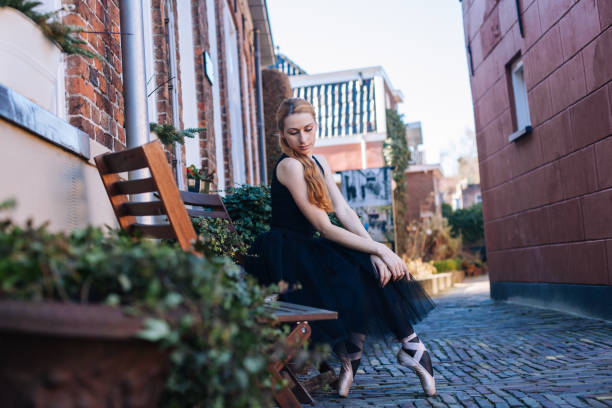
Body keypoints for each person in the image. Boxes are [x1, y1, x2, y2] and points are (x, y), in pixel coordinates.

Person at [245, 97, 436, 398]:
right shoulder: (290, 167)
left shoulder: (318, 161)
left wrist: (375, 249)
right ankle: (403, 347)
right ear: (282, 134)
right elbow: (324, 226)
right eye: (293, 132)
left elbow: (344, 211)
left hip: (310, 249)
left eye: (308, 129)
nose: (303, 138)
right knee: (363, 266)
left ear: (317, 126)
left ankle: (375, 350)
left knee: (367, 264)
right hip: (288, 258)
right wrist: (382, 251)